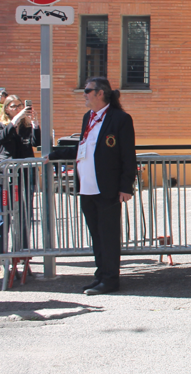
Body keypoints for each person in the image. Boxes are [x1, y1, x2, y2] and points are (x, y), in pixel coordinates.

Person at [47, 77, 136, 296]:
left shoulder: (120, 118)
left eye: (87, 90)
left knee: (108, 236)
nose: (84, 94)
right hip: (86, 186)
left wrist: (126, 186)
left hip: (107, 187)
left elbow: (128, 155)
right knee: (96, 234)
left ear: (100, 93)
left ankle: (110, 279)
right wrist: (55, 155)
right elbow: (83, 147)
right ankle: (100, 275)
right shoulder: (88, 117)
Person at [0, 94, 41, 257]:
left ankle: (22, 251)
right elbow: (1, 138)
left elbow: (36, 142)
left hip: (25, 173)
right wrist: (16, 119)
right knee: (4, 215)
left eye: (20, 105)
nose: (18, 108)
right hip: (6, 174)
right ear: (6, 109)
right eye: (14, 106)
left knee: (25, 214)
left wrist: (35, 123)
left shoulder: (26, 126)